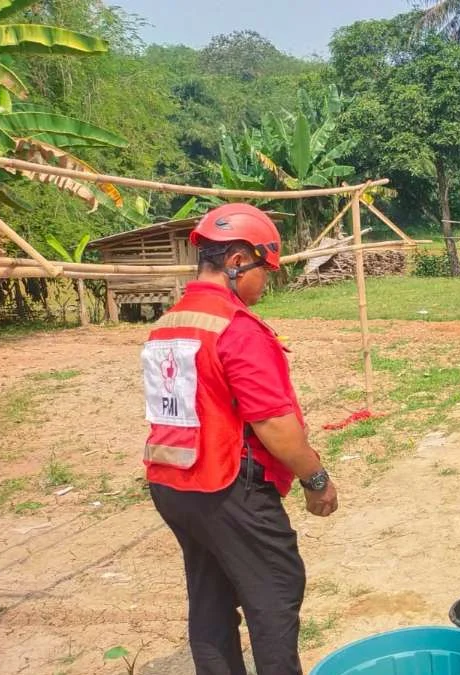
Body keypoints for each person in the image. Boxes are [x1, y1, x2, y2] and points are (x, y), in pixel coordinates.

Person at [140, 203, 339, 675]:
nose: (263, 285)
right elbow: (273, 423)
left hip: (171, 482)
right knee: (275, 588)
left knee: (209, 597)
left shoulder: (169, 323)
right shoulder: (235, 327)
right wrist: (316, 479)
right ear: (236, 262)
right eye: (263, 273)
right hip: (226, 485)